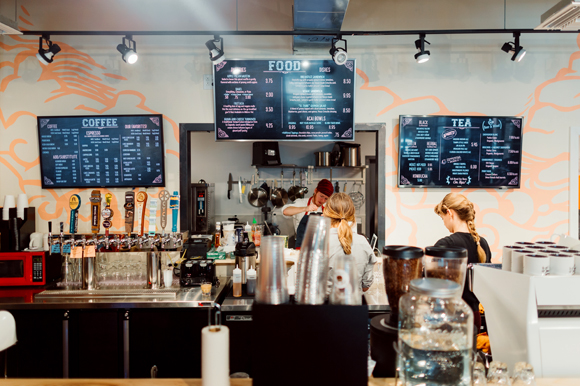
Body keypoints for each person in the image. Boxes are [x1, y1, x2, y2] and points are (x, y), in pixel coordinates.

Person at [434, 192, 491, 331]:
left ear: (449, 213)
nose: (444, 223)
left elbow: (430, 285)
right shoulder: (483, 244)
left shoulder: (445, 245)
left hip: (449, 319)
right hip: (474, 317)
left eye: (442, 218)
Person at [323, 192, 376, 294]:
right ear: (352, 214)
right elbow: (365, 286)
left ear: (326, 213)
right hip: (355, 306)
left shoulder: (319, 242)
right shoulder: (363, 242)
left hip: (325, 307)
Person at [282, 179, 334, 248]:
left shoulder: (328, 208)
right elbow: (285, 211)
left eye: (326, 198)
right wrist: (305, 208)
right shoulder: (300, 203)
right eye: (321, 196)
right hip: (302, 247)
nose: (323, 200)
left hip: (321, 247)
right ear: (315, 191)